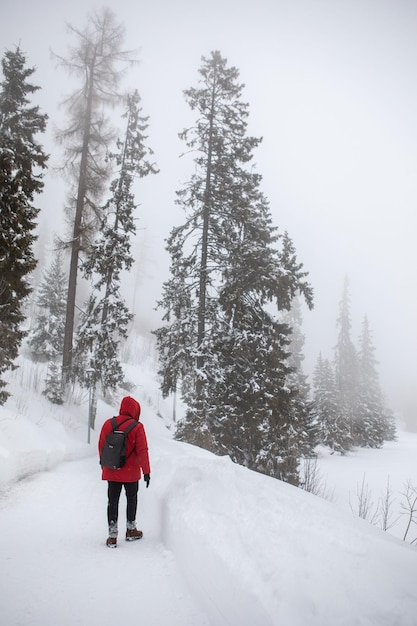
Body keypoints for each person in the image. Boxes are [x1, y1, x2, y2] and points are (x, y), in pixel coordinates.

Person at [98, 395, 151, 548]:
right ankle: (131, 529)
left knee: (112, 501)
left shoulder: (108, 424)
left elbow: (101, 446)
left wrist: (105, 464)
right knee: (131, 499)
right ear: (135, 410)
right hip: (131, 473)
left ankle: (112, 536)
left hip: (112, 470)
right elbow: (142, 451)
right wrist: (146, 472)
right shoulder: (137, 427)